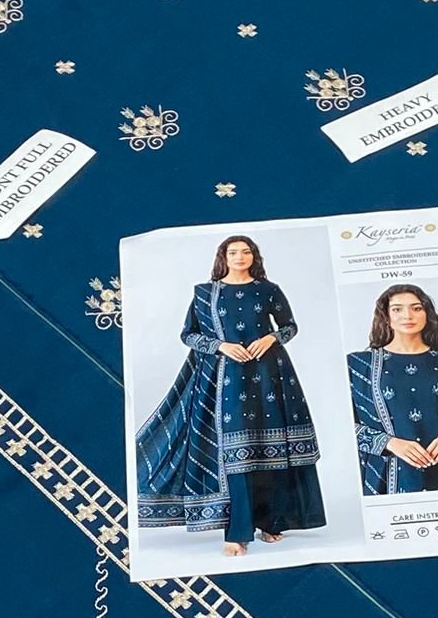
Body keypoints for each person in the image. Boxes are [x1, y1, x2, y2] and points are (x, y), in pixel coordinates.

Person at [136, 235, 327, 556]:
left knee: (268, 448)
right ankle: (237, 532)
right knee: (236, 451)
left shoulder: (268, 289)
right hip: (225, 378)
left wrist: (271, 339)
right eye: (233, 252)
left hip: (269, 373)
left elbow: (290, 326)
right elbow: (188, 334)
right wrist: (220, 346)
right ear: (223, 257)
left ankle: (270, 521)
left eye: (246, 252)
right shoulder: (205, 292)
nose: (240, 257)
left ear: (254, 256)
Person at [348, 283, 438, 494]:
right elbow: (343, 427)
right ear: (386, 316)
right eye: (397, 309)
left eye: (416, 308)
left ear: (427, 314)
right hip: (389, 475)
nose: (408, 315)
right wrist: (389, 442)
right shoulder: (358, 365)